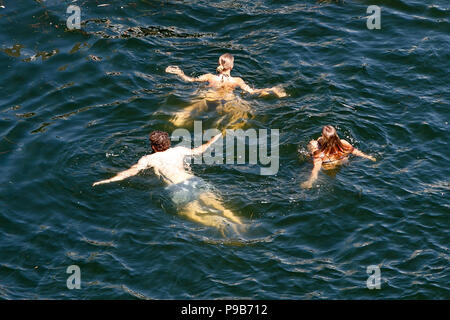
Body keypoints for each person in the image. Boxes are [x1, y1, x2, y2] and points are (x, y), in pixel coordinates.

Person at [93, 131, 243, 233]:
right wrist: (216, 136)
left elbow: (130, 172)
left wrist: (108, 180)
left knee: (193, 211)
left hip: (176, 188)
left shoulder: (148, 159)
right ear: (168, 143)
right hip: (192, 180)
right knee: (218, 205)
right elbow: (201, 149)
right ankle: (239, 223)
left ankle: (221, 226)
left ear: (153, 146)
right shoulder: (179, 150)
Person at [165, 53, 286, 128]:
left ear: (219, 65)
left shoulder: (209, 77)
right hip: (227, 102)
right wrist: (271, 89)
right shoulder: (237, 80)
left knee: (180, 118)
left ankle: (178, 123)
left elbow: (190, 80)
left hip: (209, 99)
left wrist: (179, 73)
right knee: (243, 116)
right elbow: (252, 92)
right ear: (232, 66)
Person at [301, 125, 376, 189]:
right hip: (342, 162)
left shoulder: (320, 154)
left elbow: (316, 169)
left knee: (312, 144)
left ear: (323, 137)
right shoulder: (343, 143)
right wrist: (369, 157)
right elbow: (356, 152)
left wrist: (310, 182)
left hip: (328, 166)